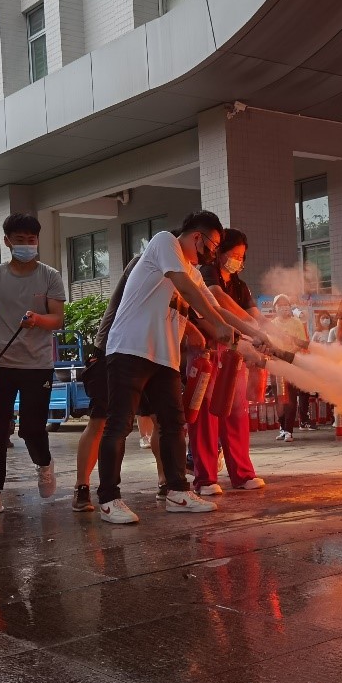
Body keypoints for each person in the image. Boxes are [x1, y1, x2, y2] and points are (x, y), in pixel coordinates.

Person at [94, 212, 269, 524]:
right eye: (212, 246)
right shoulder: (164, 242)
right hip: (130, 348)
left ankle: (178, 492)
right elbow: (188, 293)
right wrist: (217, 325)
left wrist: (254, 334)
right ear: (197, 237)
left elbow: (214, 308)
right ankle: (108, 499)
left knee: (174, 424)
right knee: (119, 424)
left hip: (164, 356)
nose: (212, 254)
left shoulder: (192, 271)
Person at [73, 254, 199, 510]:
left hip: (152, 354)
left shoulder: (184, 272)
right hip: (114, 350)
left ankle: (166, 482)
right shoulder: (146, 263)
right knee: (102, 421)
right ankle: (82, 487)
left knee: (161, 420)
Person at [0, 213, 66, 519]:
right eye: (19, 240)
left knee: (32, 429)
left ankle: (44, 464)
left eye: (31, 240)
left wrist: (38, 319)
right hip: (2, 364)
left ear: (38, 241)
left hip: (38, 366)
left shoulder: (50, 276)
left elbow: (57, 319)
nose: (26, 245)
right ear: (7, 242)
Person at [191, 228, 268, 494]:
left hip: (234, 353)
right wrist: (252, 328)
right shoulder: (207, 273)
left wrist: (274, 333)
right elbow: (218, 302)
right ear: (220, 252)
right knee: (206, 415)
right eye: (234, 254)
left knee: (237, 411)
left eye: (242, 256)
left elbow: (255, 315)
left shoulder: (240, 285)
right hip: (207, 351)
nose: (238, 260)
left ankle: (242, 473)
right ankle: (205, 478)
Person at [272, 294, 310, 442]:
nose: (283, 307)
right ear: (275, 308)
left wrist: (288, 355)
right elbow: (269, 342)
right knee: (279, 398)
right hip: (276, 363)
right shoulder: (272, 324)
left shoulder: (296, 323)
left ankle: (289, 430)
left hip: (292, 364)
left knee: (291, 397)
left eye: (286, 305)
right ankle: (282, 427)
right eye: (280, 305)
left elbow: (301, 342)